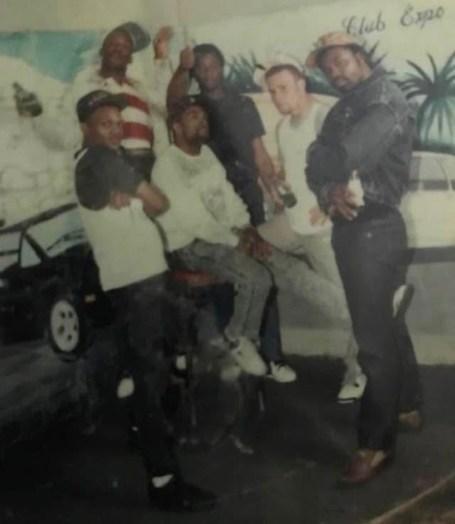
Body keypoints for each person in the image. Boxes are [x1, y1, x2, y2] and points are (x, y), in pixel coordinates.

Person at [74, 89, 217, 511]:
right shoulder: (101, 160)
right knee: (150, 379)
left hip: (140, 280)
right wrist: (140, 194)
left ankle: (142, 430)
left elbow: (149, 206)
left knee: (153, 369)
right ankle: (164, 482)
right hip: (135, 284)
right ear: (85, 128)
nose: (116, 129)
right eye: (105, 124)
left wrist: (132, 195)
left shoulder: (103, 162)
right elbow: (159, 201)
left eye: (119, 123)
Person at [305, 32, 423, 485]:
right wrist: (328, 190)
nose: (334, 73)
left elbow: (341, 155)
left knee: (372, 340)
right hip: (352, 227)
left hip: (374, 230)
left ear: (360, 56)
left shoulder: (386, 98)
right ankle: (407, 405)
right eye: (326, 68)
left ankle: (375, 445)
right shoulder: (343, 108)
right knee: (385, 322)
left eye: (340, 61)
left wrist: (328, 171)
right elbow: (314, 164)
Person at [153, 95, 296, 382]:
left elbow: (228, 197)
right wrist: (237, 240)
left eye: (204, 116)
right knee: (258, 278)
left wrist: (246, 228)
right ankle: (238, 340)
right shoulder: (168, 165)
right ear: (176, 126)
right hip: (190, 245)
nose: (203, 120)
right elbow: (196, 222)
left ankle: (242, 340)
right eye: (194, 116)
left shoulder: (206, 154)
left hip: (223, 236)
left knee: (286, 268)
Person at [258, 60, 366, 402]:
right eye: (272, 92)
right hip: (292, 223)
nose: (277, 97)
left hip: (322, 230)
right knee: (251, 245)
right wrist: (278, 189)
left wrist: (329, 204)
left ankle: (356, 372)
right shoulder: (282, 127)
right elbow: (293, 173)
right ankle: (375, 303)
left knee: (351, 307)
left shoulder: (325, 119)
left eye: (283, 88)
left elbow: (356, 173)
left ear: (302, 84)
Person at [16, 22, 174, 177]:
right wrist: (38, 114)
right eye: (112, 44)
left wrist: (161, 57)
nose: (118, 49)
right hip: (108, 172)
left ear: (130, 58)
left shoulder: (140, 90)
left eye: (125, 47)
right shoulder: (84, 86)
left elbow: (169, 104)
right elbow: (65, 136)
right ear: (101, 51)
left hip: (147, 169)